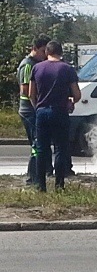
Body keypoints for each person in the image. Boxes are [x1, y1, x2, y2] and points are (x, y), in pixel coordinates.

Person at [29, 40, 81, 192]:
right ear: (61, 53)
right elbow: (77, 94)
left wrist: (38, 107)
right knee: (60, 148)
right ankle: (59, 185)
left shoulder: (37, 67)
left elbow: (31, 94)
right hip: (59, 112)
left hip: (41, 111)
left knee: (41, 148)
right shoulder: (67, 69)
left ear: (47, 52)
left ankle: (40, 185)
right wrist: (71, 101)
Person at [17, 34, 49, 184]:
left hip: (33, 108)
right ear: (34, 49)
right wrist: (37, 104)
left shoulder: (37, 64)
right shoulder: (28, 65)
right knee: (36, 143)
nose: (45, 55)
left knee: (39, 142)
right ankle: (32, 177)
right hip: (29, 110)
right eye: (43, 51)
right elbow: (25, 90)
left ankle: (42, 172)